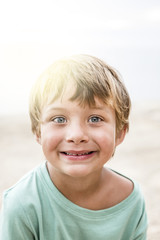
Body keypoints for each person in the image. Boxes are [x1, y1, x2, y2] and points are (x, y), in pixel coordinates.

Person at [0, 55, 147, 239]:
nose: (76, 135)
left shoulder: (131, 200)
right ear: (38, 132)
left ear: (120, 133)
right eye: (59, 119)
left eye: (95, 119)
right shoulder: (21, 203)